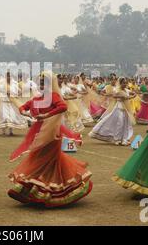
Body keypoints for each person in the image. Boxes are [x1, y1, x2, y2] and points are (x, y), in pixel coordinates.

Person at [7, 72, 92, 207]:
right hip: (39, 133)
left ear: (49, 85)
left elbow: (63, 106)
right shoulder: (39, 98)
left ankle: (44, 190)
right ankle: (30, 188)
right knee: (38, 158)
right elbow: (25, 106)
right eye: (40, 83)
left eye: (44, 84)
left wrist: (47, 114)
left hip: (52, 134)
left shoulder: (53, 96)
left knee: (46, 159)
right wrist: (23, 111)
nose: (41, 86)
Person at [89, 77, 136, 146]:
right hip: (118, 108)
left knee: (125, 124)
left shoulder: (126, 90)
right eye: (123, 83)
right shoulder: (117, 90)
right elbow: (114, 95)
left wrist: (132, 96)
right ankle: (117, 139)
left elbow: (133, 93)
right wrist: (120, 96)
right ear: (120, 83)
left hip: (125, 110)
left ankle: (124, 139)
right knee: (119, 124)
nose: (125, 84)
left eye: (126, 83)